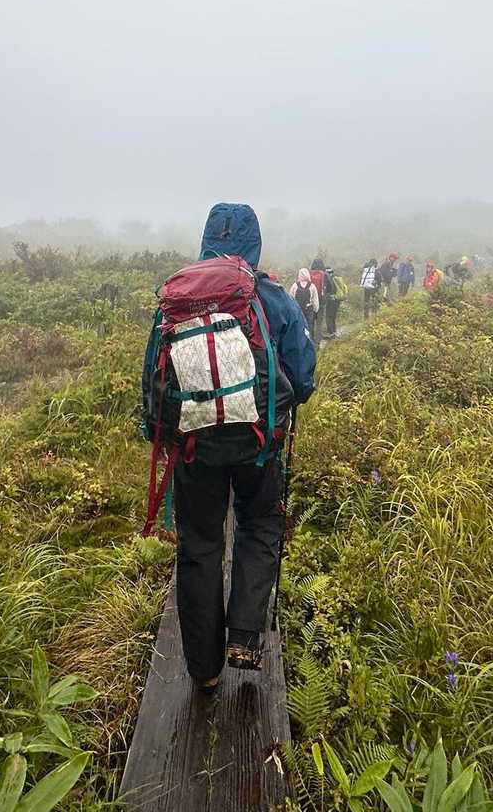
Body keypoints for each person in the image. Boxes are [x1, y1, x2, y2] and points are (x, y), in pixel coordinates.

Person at [147, 203, 316, 690]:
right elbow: (303, 378)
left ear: (205, 241)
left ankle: (204, 671)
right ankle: (244, 638)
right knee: (259, 527)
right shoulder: (272, 298)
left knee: (200, 544)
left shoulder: (176, 300)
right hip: (259, 444)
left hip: (194, 447)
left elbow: (153, 380)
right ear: (254, 244)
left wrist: (159, 434)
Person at [291, 267, 320, 337]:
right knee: (309, 327)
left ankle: (299, 341)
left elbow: (291, 298)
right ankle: (310, 340)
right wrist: (316, 310)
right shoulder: (312, 286)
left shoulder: (295, 285)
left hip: (297, 310)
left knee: (299, 327)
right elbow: (315, 300)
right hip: (309, 310)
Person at [321, 265, 344, 338]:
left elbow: (328, 290)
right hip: (337, 299)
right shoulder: (337, 277)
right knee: (333, 316)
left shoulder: (329, 279)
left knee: (328, 316)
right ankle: (334, 330)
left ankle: (330, 333)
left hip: (331, 300)